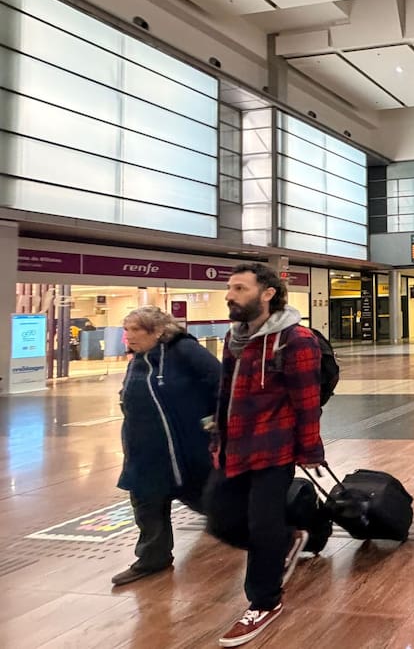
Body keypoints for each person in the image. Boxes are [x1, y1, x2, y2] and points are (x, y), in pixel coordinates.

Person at [205, 264, 325, 648]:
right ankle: (285, 542)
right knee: (220, 521)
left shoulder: (297, 340)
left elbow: (307, 403)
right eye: (229, 287)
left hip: (275, 448)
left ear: (268, 293)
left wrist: (309, 450)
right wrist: (217, 440)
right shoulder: (234, 338)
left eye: (239, 288)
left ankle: (264, 601)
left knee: (261, 523)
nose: (230, 294)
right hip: (235, 446)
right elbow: (224, 395)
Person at [111, 306, 220, 587]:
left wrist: (214, 419)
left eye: (136, 329)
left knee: (214, 502)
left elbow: (220, 381)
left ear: (158, 331)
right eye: (127, 329)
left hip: (188, 449)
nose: (129, 336)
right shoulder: (137, 360)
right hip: (145, 452)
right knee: (147, 503)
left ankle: (271, 535)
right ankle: (152, 558)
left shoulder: (184, 351)